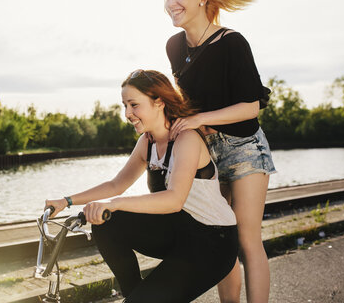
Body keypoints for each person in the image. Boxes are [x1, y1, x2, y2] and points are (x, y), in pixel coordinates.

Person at [45, 69, 238, 302]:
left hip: (212, 243)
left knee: (113, 209)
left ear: (159, 102)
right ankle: (135, 296)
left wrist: (114, 203)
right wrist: (66, 201)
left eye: (134, 105)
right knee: (107, 223)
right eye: (124, 105)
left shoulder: (186, 139)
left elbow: (175, 199)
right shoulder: (147, 142)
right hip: (179, 233)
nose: (127, 113)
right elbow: (116, 184)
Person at [163, 0, 277, 303]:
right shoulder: (174, 46)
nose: (171, 2)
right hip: (205, 155)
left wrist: (200, 119)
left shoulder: (232, 42)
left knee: (246, 239)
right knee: (222, 239)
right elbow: (189, 101)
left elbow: (252, 105)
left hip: (244, 148)